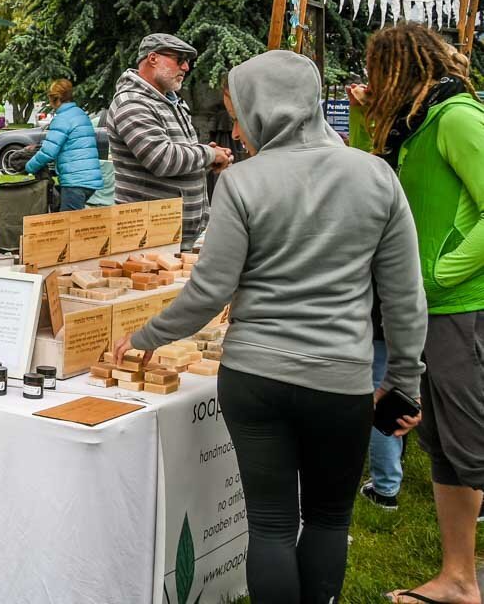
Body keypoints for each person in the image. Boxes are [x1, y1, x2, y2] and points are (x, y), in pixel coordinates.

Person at [113, 51, 425, 604]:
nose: (235, 128)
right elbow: (404, 297)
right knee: (330, 518)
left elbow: (209, 293)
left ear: (267, 109)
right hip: (341, 379)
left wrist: (143, 338)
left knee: (271, 524)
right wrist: (404, 382)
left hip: (255, 379)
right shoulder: (377, 175)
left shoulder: (242, 183)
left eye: (239, 113)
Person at [348, 24, 484, 604]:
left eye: (379, 73)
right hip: (425, 309)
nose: (373, 84)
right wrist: (360, 120)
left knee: (468, 443)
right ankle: (458, 577)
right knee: (443, 442)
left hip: (458, 307)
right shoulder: (411, 128)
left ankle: (461, 579)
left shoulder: (455, 117)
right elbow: (361, 180)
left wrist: (442, 272)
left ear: (405, 69)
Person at [105, 33, 232, 243]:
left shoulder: (172, 102)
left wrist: (211, 159)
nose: (186, 68)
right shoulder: (132, 103)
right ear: (153, 58)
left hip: (173, 235)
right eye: (179, 60)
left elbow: (178, 157)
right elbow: (162, 159)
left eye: (187, 62)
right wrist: (209, 154)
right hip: (145, 236)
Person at [25, 79, 103, 211]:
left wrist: (28, 166)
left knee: (68, 228)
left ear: (54, 99)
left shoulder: (62, 118)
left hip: (75, 181)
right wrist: (40, 146)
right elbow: (70, 141)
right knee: (72, 222)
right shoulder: (80, 114)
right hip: (90, 180)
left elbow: (49, 152)